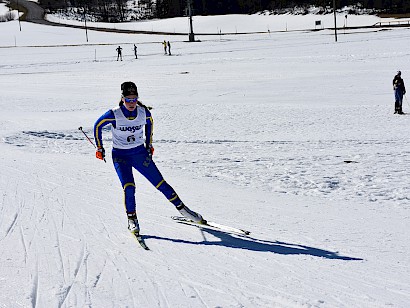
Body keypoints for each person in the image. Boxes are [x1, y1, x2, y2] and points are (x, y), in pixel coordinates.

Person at [93, 81, 205, 235]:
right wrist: (100, 148)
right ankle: (132, 219)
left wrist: (149, 144)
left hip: (139, 153)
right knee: (129, 187)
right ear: (122, 98)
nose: (131, 103)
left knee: (160, 184)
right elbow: (97, 126)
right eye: (128, 99)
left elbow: (149, 125)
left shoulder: (143, 112)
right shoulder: (114, 114)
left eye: (134, 99)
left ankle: (185, 211)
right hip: (120, 156)